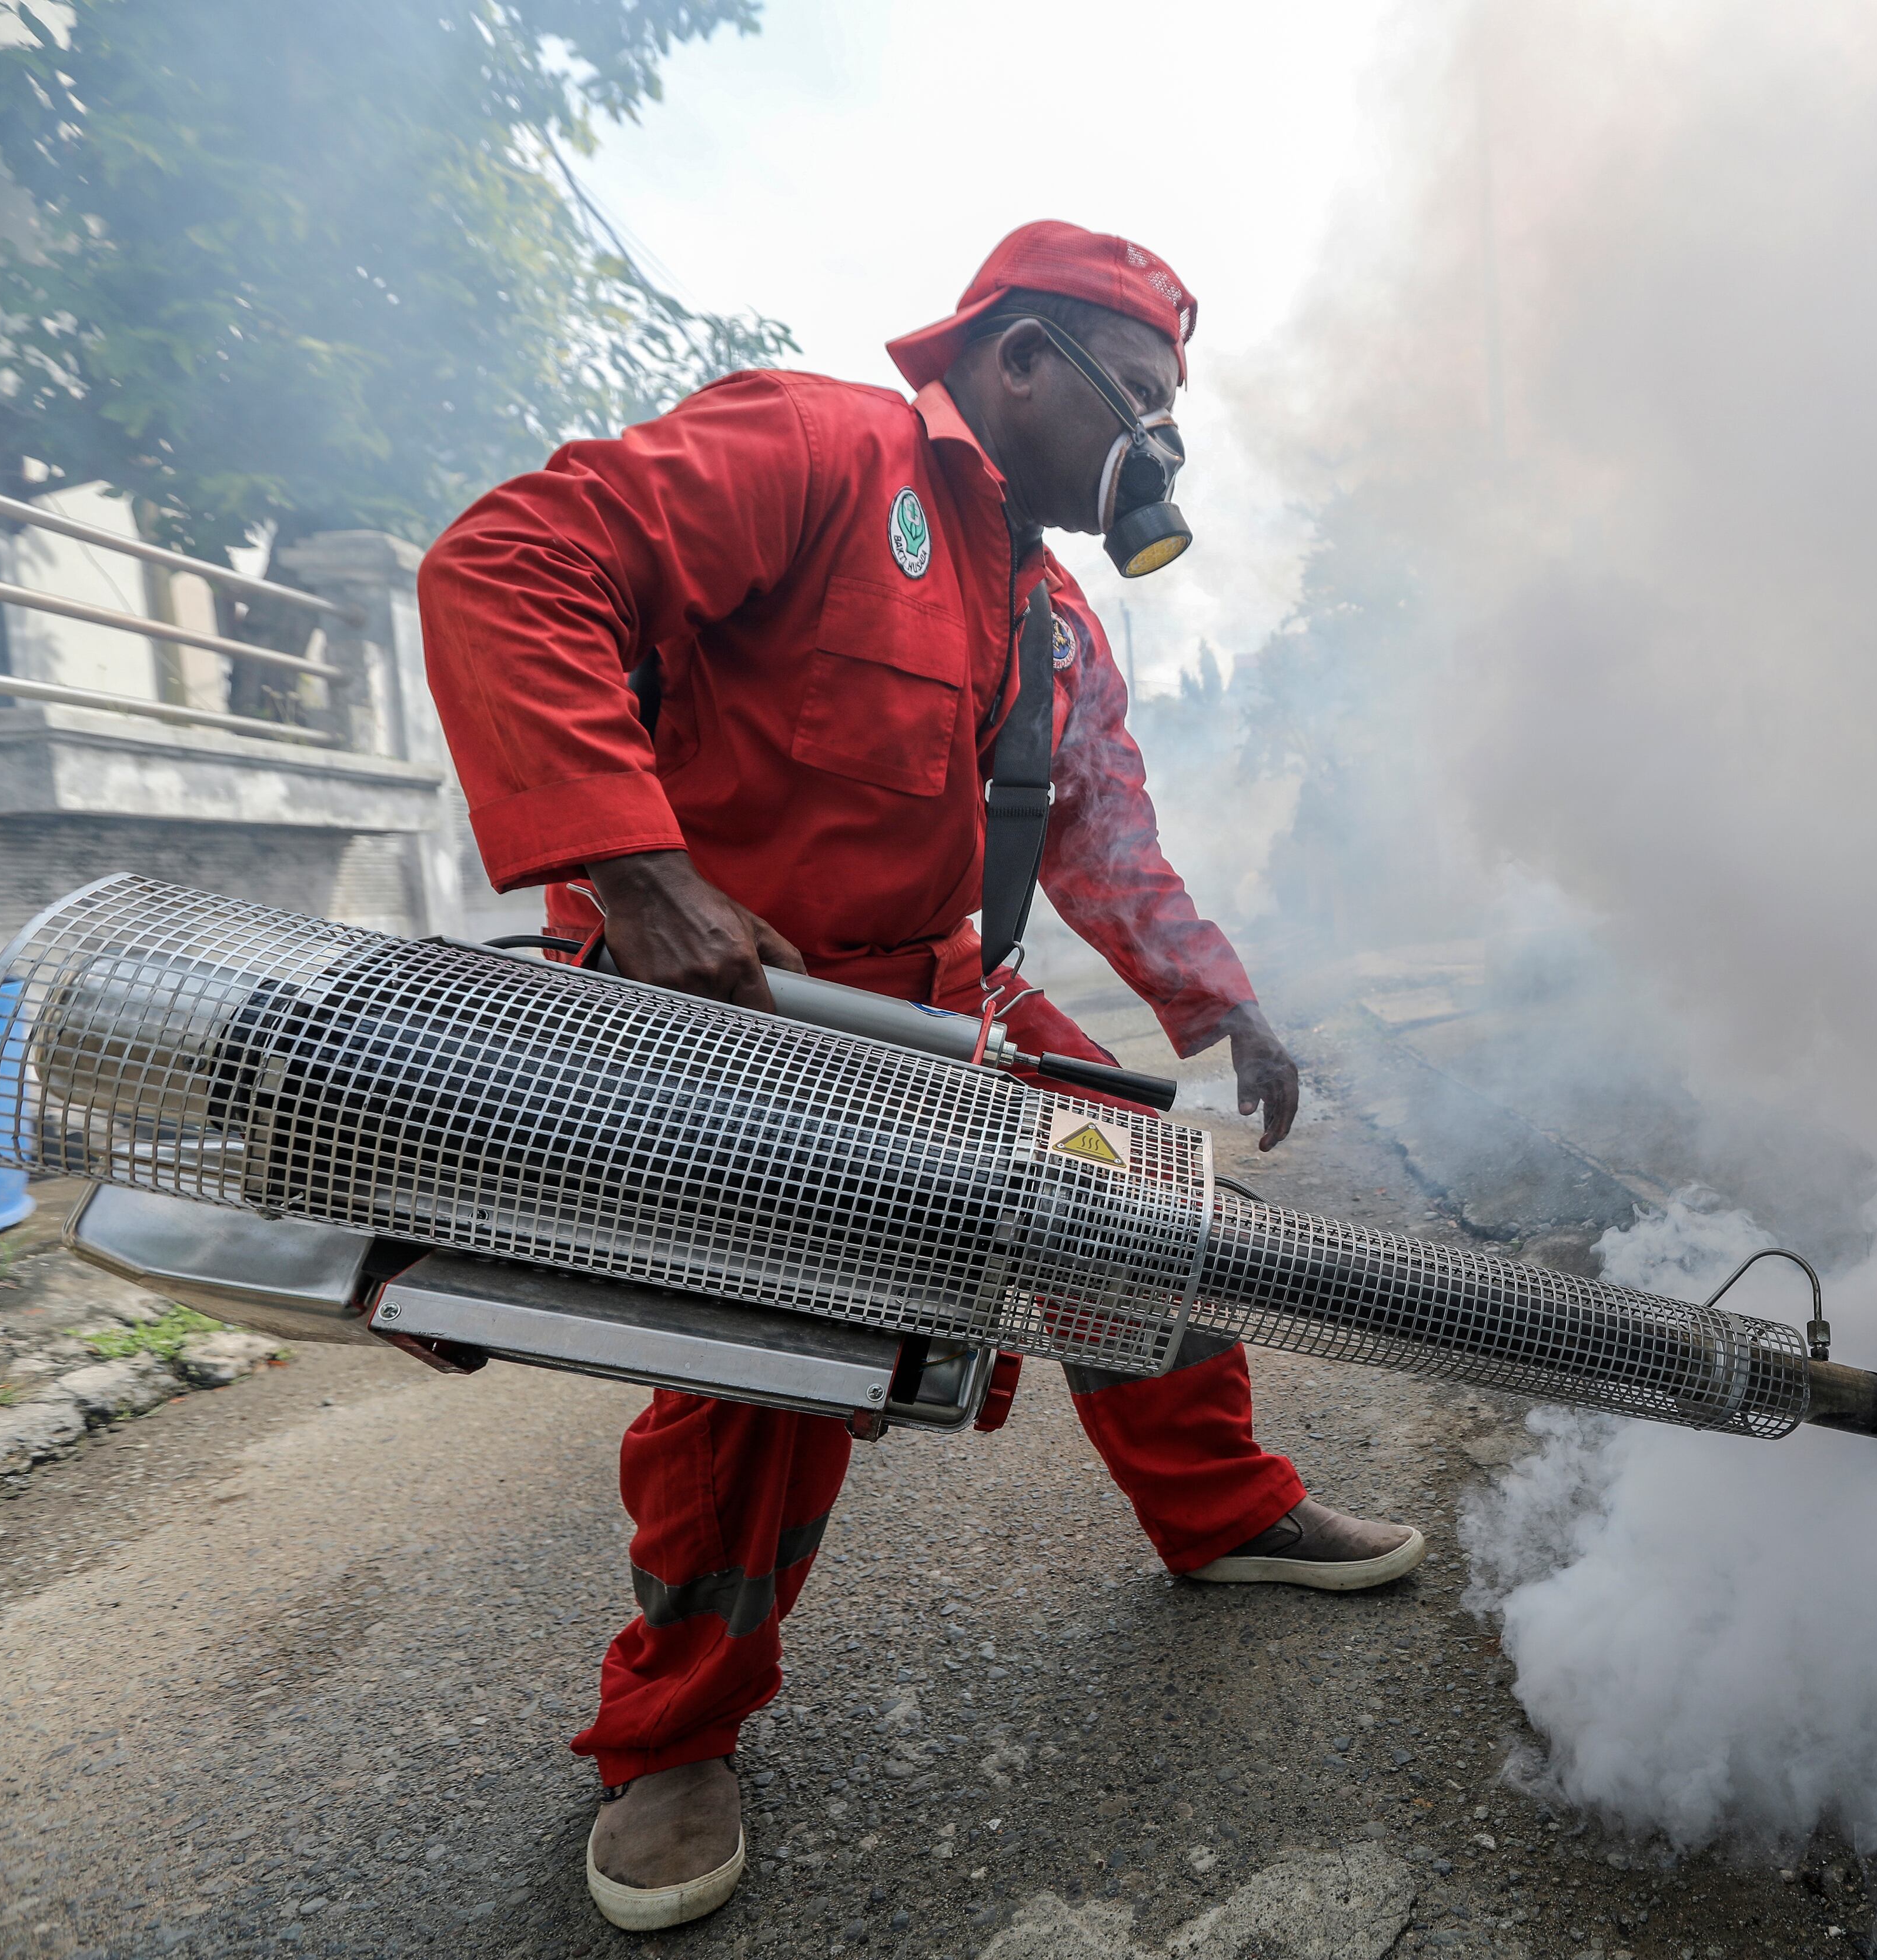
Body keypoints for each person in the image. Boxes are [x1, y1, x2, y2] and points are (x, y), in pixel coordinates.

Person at [416, 221, 1423, 1933]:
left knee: (1143, 1195)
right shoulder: (817, 451)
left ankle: (1220, 1510)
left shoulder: (1052, 618)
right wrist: (631, 866)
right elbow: (504, 567)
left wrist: (1219, 1004)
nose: (1161, 444)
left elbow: (1108, 835)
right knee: (773, 1365)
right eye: (1146, 396)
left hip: (933, 994)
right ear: (1020, 359)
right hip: (729, 1007)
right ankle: (673, 1735)